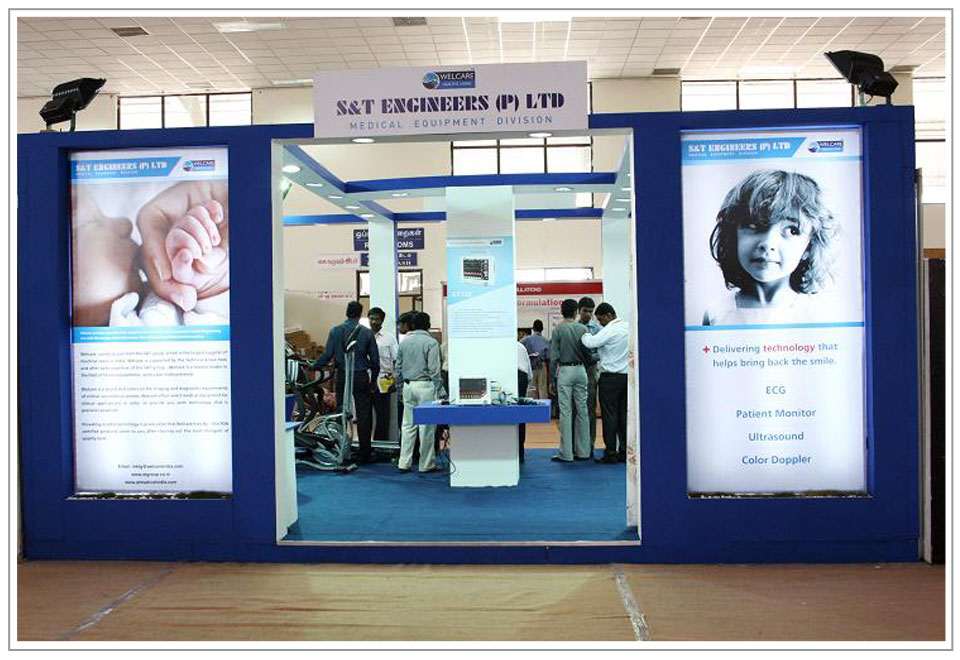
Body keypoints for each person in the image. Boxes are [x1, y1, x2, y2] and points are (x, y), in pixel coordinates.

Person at [703, 169, 838, 326]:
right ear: (734, 236)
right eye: (753, 224)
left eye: (792, 230)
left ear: (809, 248)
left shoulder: (818, 316)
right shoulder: (716, 314)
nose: (768, 243)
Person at [312, 301, 380, 464]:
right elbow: (375, 361)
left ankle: (339, 447)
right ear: (360, 314)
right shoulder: (367, 333)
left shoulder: (335, 331)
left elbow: (327, 354)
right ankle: (365, 452)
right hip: (361, 376)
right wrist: (373, 381)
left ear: (346, 312)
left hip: (343, 375)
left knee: (341, 411)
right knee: (364, 414)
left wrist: (315, 365)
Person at [395, 311, 445, 473]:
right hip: (426, 387)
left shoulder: (404, 342)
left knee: (407, 426)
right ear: (428, 325)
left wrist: (400, 389)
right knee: (427, 428)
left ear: (413, 325)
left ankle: (404, 462)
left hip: (408, 386)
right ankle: (426, 464)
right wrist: (441, 391)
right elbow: (434, 371)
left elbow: (398, 368)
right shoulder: (431, 343)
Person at [581, 302, 629, 464]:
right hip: (626, 377)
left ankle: (610, 453)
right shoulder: (628, 327)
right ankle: (624, 451)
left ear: (609, 315)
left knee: (609, 415)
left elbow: (590, 343)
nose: (601, 324)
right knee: (623, 415)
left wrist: (584, 333)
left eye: (601, 320)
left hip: (610, 378)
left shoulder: (610, 329)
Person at [549, 299, 594, 462]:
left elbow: (553, 357)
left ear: (562, 312)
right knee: (582, 410)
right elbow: (589, 353)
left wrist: (551, 379)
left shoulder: (558, 330)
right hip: (581, 370)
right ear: (576, 312)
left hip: (565, 371)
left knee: (566, 412)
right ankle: (584, 451)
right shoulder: (583, 329)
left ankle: (566, 453)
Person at [367, 307, 398, 450]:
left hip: (384, 382)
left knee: (383, 417)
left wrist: (395, 380)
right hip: (365, 382)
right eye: (371, 318)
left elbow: (396, 360)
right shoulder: (362, 336)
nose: (374, 321)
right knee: (365, 416)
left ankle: (381, 447)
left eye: (377, 319)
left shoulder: (389, 338)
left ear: (382, 321)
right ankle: (366, 447)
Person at [577, 297, 601, 450]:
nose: (588, 314)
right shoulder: (573, 327)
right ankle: (578, 444)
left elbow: (602, 352)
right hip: (576, 368)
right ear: (578, 311)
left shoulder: (597, 329)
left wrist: (591, 357)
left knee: (590, 407)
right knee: (576, 408)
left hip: (591, 370)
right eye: (585, 311)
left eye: (590, 312)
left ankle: (590, 444)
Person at [521, 319, 550, 399]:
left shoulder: (526, 339)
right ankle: (544, 405)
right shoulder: (546, 341)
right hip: (542, 365)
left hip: (531, 365)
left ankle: (533, 404)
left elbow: (518, 346)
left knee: (532, 388)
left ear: (533, 328)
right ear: (542, 329)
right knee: (542, 388)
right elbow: (548, 356)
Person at [516, 340, 533, 463]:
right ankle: (520, 451)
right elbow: (529, 370)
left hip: (509, 376)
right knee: (520, 415)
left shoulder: (499, 345)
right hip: (522, 377)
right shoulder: (521, 346)